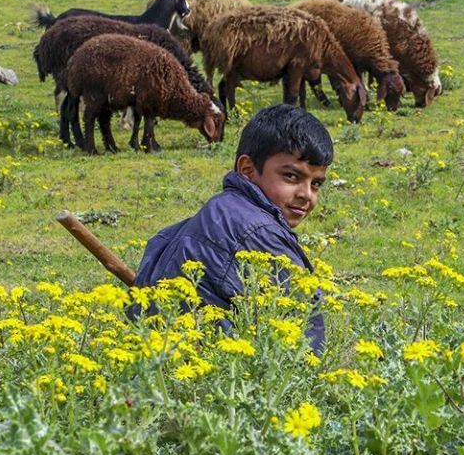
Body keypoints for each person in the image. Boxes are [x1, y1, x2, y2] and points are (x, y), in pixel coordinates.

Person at [133, 104, 331, 351]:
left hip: (164, 361)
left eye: (316, 184)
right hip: (214, 375)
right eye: (291, 176)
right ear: (247, 170)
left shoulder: (219, 212)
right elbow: (306, 334)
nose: (306, 195)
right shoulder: (258, 232)